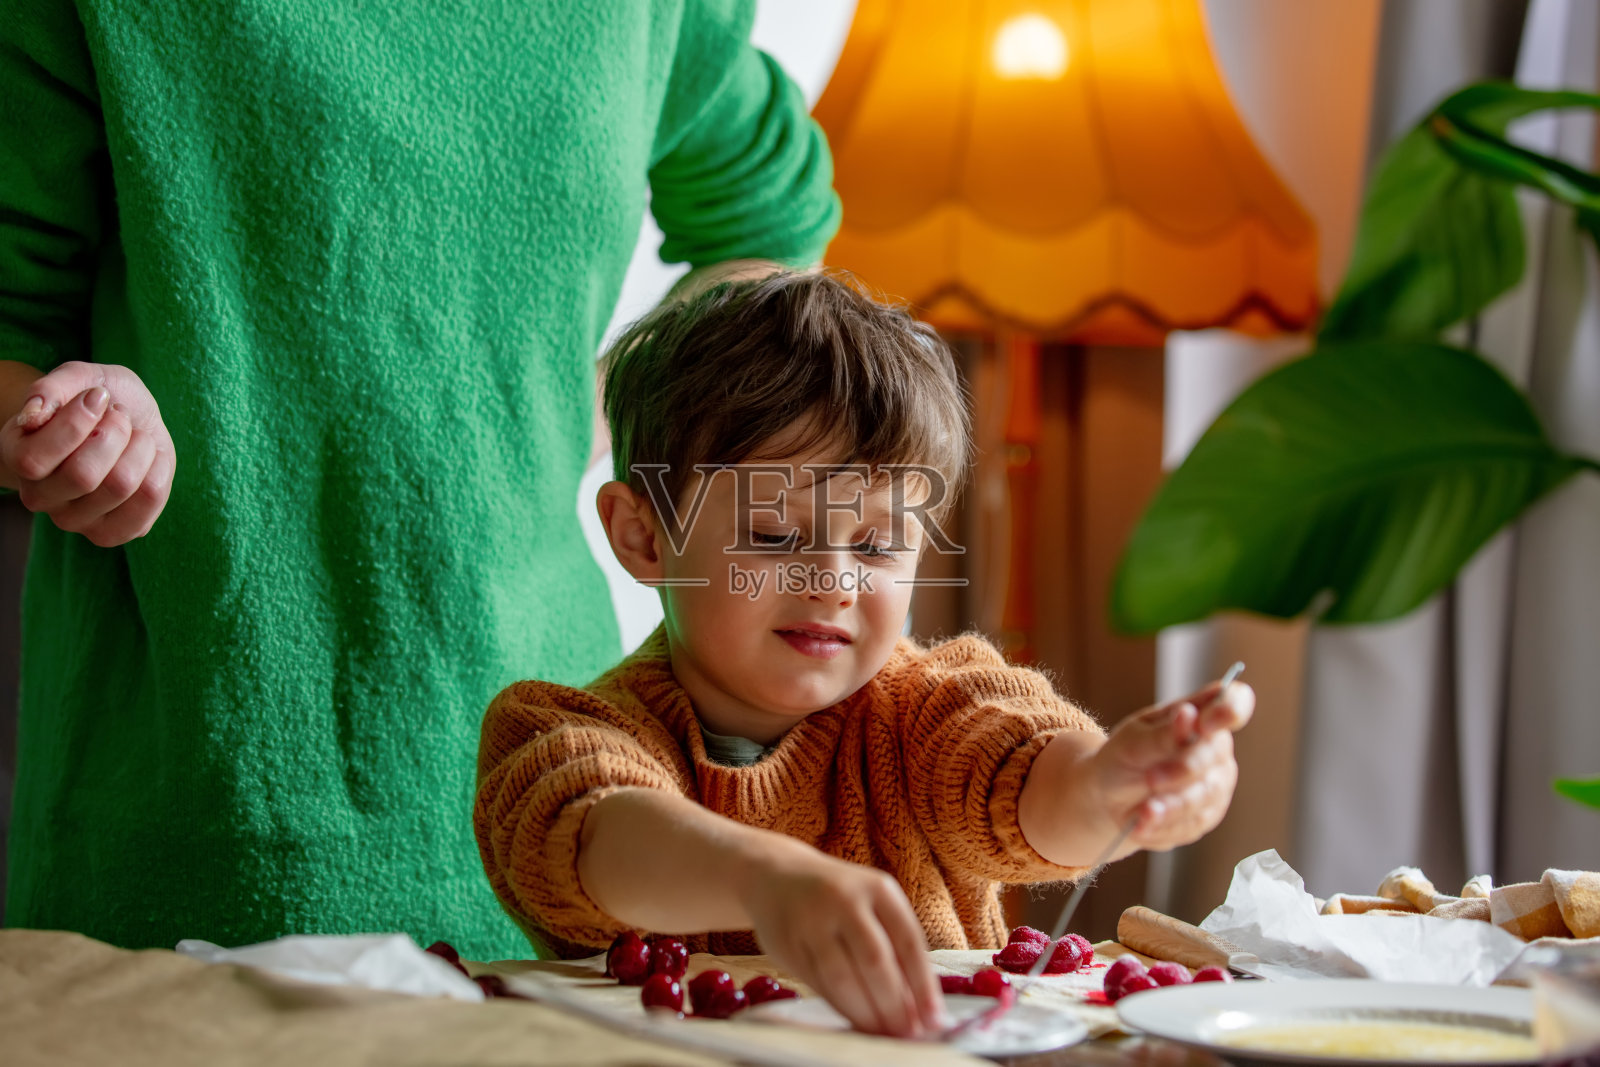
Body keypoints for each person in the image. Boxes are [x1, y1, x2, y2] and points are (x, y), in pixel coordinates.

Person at [0, 1, 839, 960]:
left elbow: (766, 223)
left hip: (556, 798)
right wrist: (64, 429)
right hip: (195, 803)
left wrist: (593, 407)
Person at [474, 271, 1256, 1036]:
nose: (833, 581)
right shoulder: (554, 732)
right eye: (775, 535)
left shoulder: (928, 709)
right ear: (646, 535)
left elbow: (1027, 777)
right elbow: (595, 831)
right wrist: (764, 878)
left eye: (879, 544)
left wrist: (1111, 781)